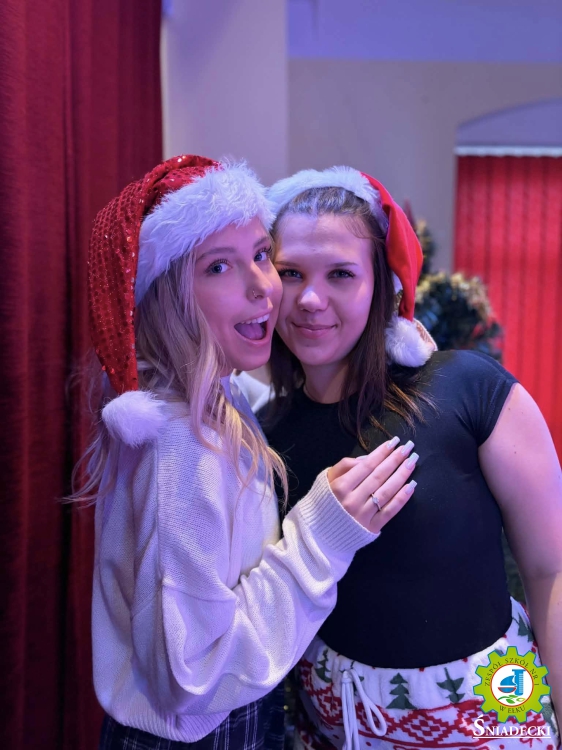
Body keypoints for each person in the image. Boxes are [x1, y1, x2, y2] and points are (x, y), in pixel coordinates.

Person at [79, 155, 419, 749]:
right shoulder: (183, 445)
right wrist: (322, 535)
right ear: (167, 297)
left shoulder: (209, 396)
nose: (265, 286)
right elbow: (194, 679)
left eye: (262, 255)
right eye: (219, 266)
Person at [262, 166, 562, 749]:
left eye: (341, 274)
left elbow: (550, 570)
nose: (311, 300)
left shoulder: (469, 390)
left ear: (383, 286)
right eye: (290, 273)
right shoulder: (268, 436)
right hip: (335, 730)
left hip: (495, 719)